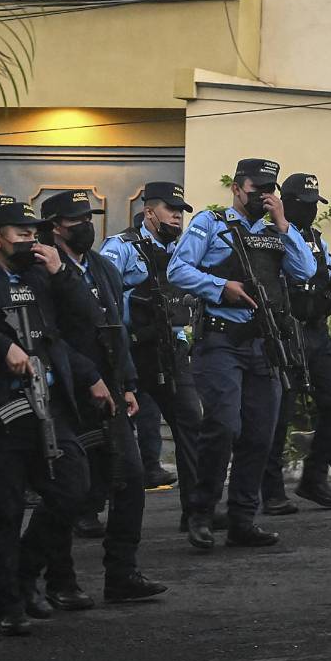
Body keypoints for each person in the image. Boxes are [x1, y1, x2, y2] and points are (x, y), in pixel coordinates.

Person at [0, 200, 114, 636]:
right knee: (4, 511)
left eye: (34, 232)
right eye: (21, 233)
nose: (31, 240)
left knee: (73, 491)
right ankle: (7, 604)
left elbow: (71, 329)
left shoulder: (37, 278)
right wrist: (0, 348)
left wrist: (62, 276)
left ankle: (27, 572)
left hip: (48, 408)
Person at [20, 190, 166, 613]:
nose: (84, 225)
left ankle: (121, 574)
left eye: (88, 217)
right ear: (52, 228)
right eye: (73, 220)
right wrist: (88, 378)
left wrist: (128, 383)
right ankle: (54, 579)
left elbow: (114, 327)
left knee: (131, 479)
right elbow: (50, 335)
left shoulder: (101, 265)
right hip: (66, 392)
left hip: (111, 389)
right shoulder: (39, 271)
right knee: (69, 489)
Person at [168, 159, 316, 550]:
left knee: (259, 434)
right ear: (237, 188)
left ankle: (242, 519)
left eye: (271, 190)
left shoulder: (276, 230)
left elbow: (305, 271)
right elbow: (177, 270)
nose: (263, 196)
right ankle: (200, 513)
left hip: (264, 345)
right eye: (256, 190)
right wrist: (221, 287)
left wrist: (284, 225)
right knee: (223, 425)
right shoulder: (210, 223)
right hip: (220, 341)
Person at [100, 182, 204, 532]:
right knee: (111, 430)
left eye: (180, 210)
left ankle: (196, 511)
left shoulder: (183, 250)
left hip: (169, 349)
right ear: (149, 212)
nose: (177, 216)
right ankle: (88, 510)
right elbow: (103, 298)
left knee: (191, 421)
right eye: (170, 209)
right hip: (130, 350)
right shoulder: (122, 247)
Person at [261, 173, 331, 513]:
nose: (312, 210)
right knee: (279, 412)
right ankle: (269, 489)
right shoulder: (269, 233)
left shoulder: (315, 236)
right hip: (286, 330)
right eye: (306, 203)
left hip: (316, 330)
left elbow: (324, 272)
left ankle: (314, 477)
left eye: (316, 203)